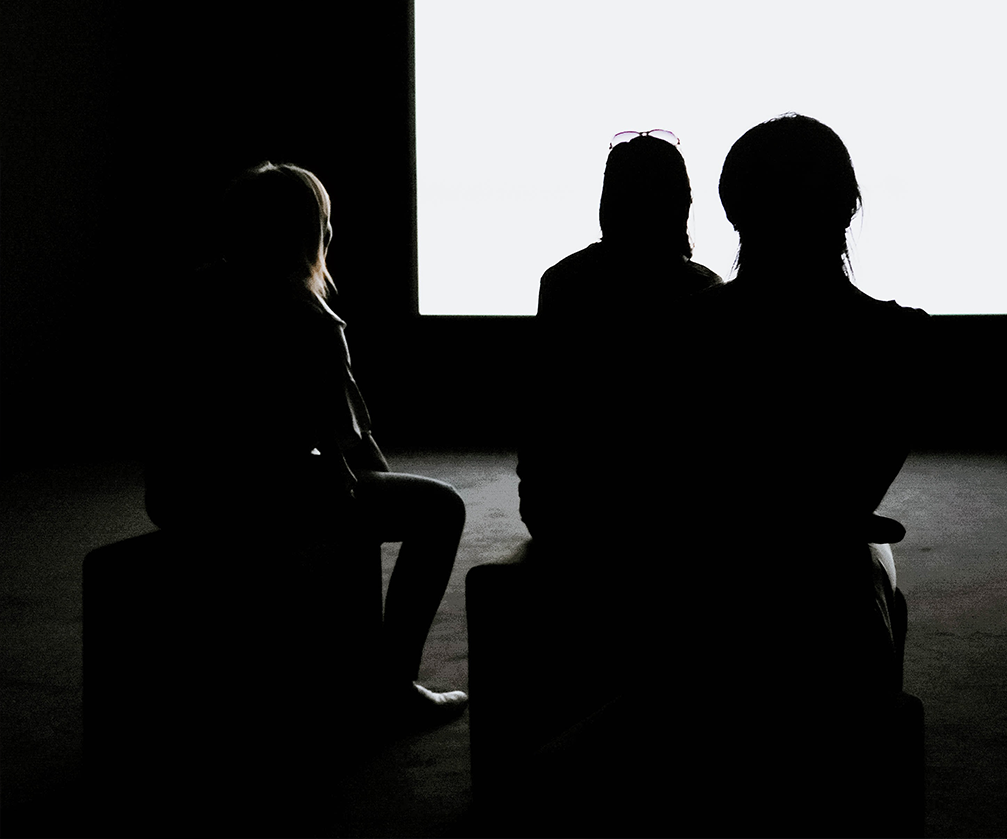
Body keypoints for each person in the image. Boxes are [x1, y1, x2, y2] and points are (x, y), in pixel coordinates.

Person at [145, 162, 469, 725]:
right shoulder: (308, 315)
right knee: (441, 508)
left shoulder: (194, 293)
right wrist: (380, 483)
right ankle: (393, 686)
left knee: (337, 487)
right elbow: (354, 441)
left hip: (176, 496)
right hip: (260, 501)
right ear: (313, 233)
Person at [691, 113, 931, 831]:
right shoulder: (903, 341)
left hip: (708, 610)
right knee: (874, 581)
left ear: (735, 210)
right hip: (831, 618)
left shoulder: (687, 331)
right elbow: (851, 494)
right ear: (847, 205)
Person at [516, 129, 723, 549]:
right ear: (681, 204)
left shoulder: (561, 282)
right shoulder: (703, 290)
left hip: (561, 510)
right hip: (672, 514)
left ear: (608, 201)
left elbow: (542, 409)